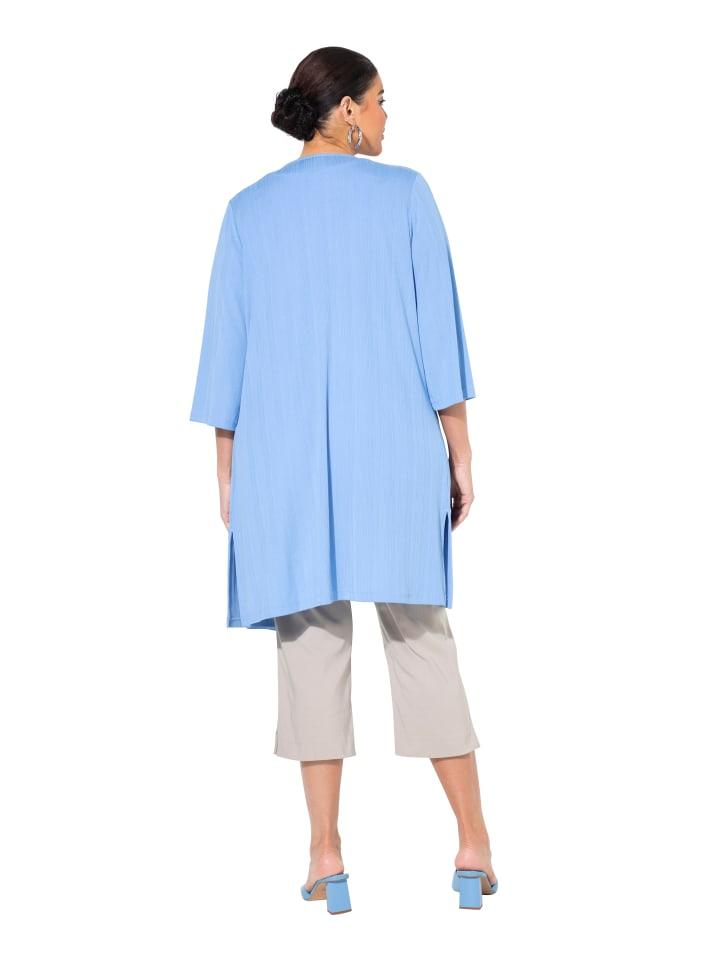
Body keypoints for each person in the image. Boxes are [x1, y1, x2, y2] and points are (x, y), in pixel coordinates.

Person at [189, 46, 498, 912]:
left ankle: (325, 856)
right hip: (393, 453)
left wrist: (228, 474)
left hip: (283, 463)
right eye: (382, 100)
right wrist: (461, 452)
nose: (388, 116)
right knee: (422, 641)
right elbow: (439, 337)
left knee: (310, 651)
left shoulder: (248, 211)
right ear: (349, 110)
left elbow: (226, 354)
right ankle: (471, 843)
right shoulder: (405, 195)